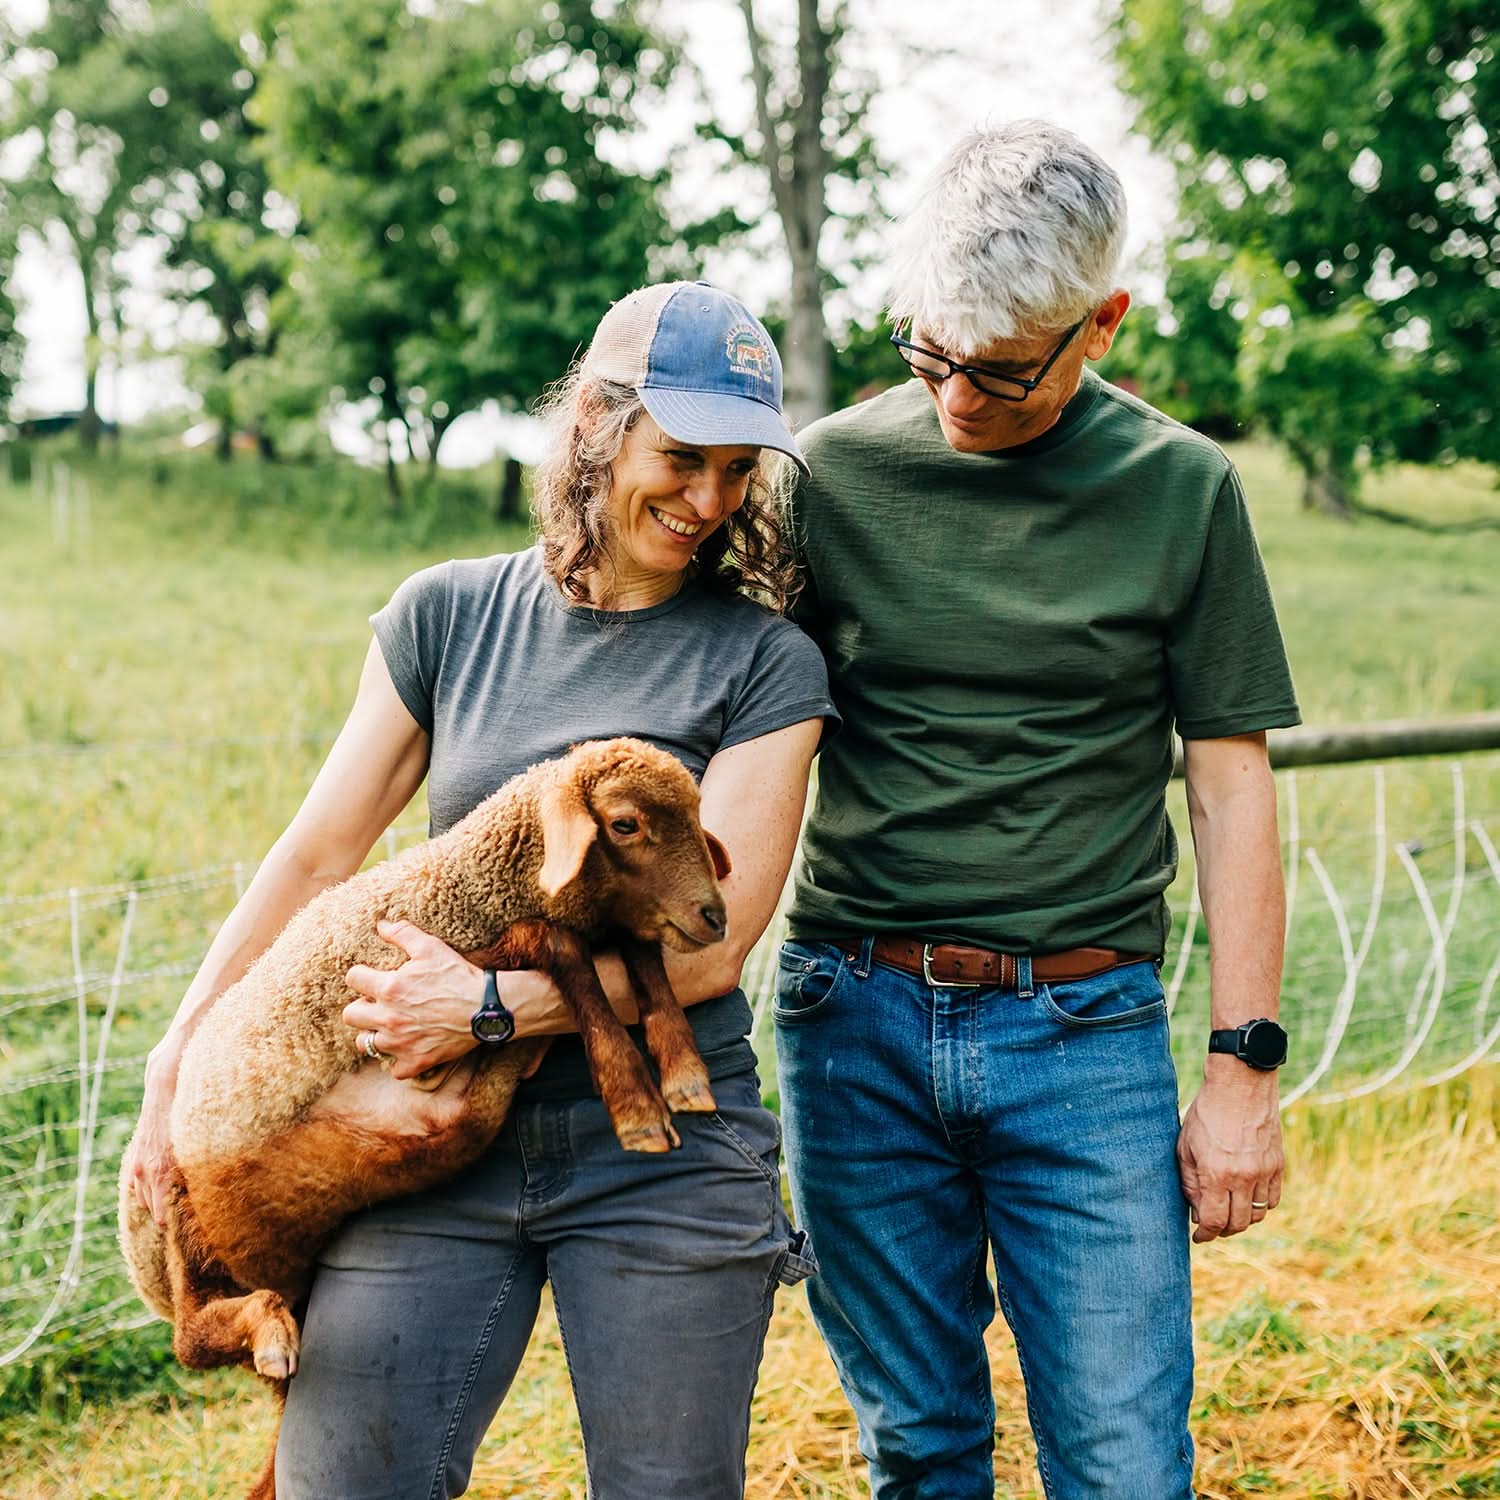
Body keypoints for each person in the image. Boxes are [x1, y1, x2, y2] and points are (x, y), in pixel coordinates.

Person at [122, 281, 836, 1499]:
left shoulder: (766, 659)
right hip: (420, 1134)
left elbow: (712, 950)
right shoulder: (448, 615)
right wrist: (176, 1054)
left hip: (660, 1139)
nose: (711, 501)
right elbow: (316, 855)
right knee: (345, 1482)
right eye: (682, 459)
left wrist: (490, 1010)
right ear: (596, 425)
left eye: (737, 471)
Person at [774, 121, 1300, 1499]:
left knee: (1123, 1462)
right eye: (929, 354)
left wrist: (1242, 1070)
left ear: (1101, 323)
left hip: (1084, 1031)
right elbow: (733, 728)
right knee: (919, 1446)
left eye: (1003, 371)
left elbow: (1230, 786)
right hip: (852, 1021)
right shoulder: (824, 475)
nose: (957, 398)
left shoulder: (1183, 490)